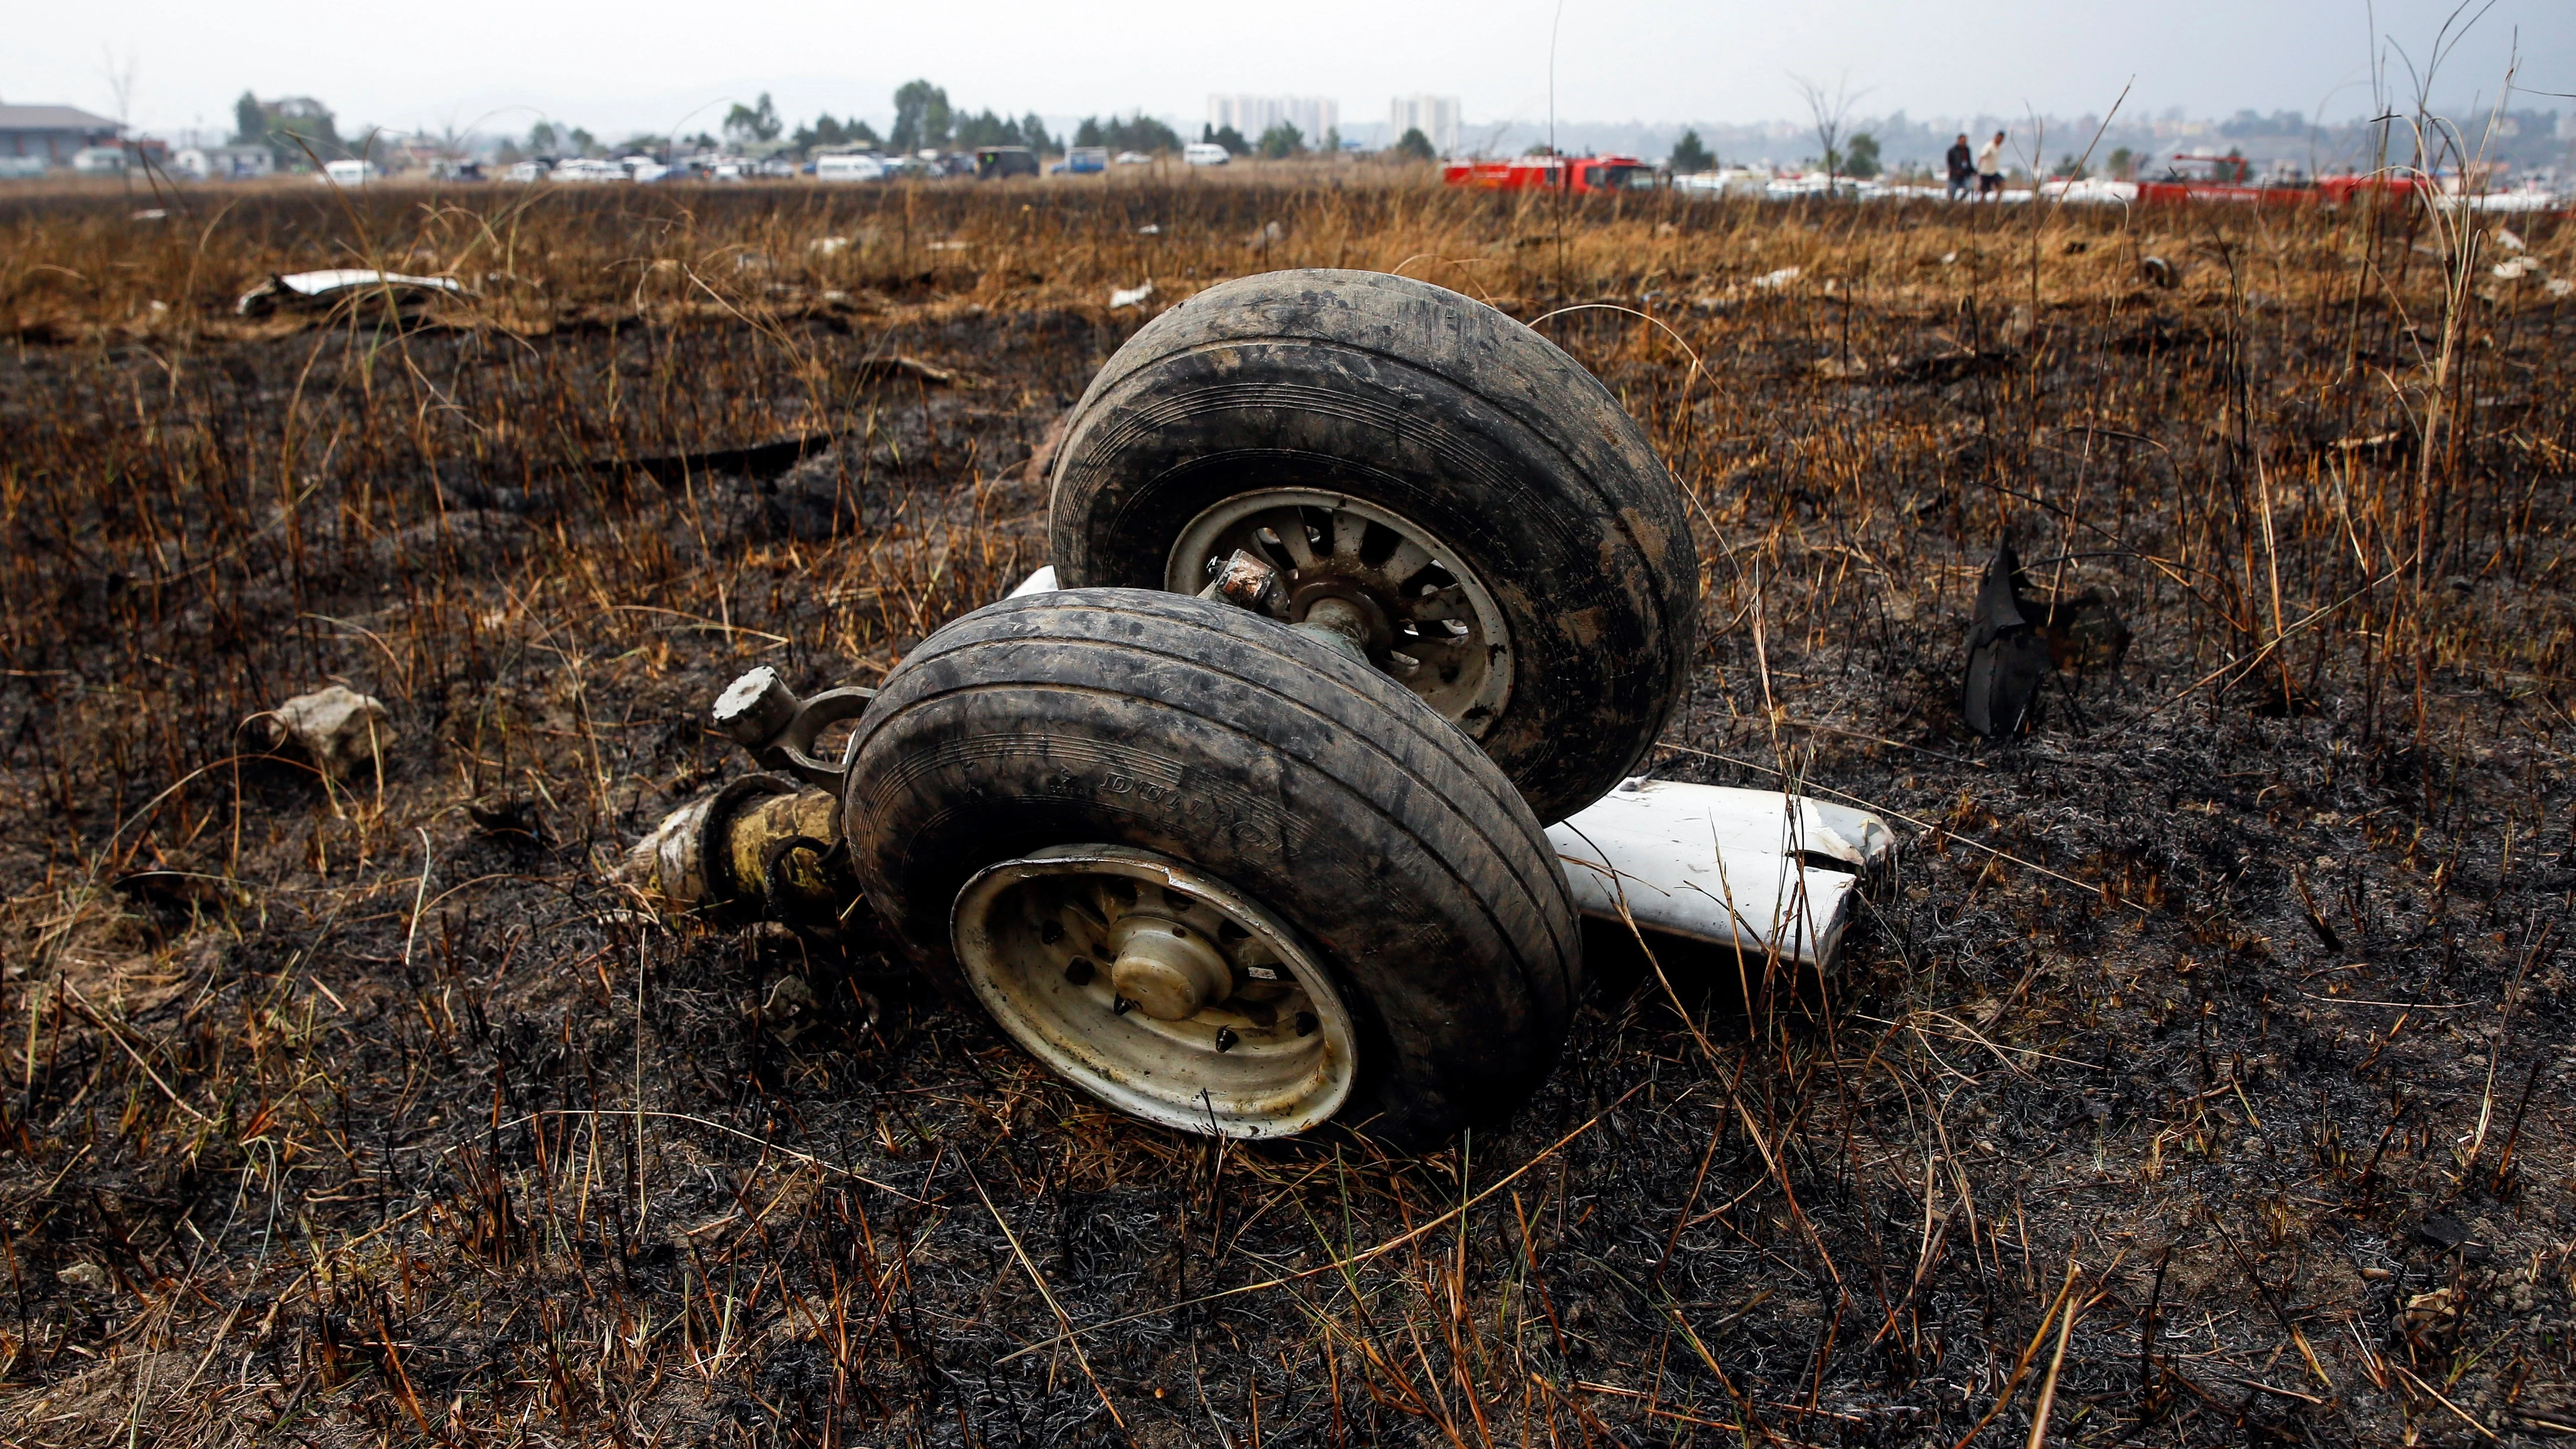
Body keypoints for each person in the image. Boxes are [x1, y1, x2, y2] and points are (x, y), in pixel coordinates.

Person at [1976, 129, 2007, 199]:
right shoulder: (1989, 146)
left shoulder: (1999, 147)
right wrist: (1978, 169)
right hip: (1985, 172)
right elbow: (1982, 157)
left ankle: (1996, 202)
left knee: (2002, 184)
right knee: (1984, 192)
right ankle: (1981, 205)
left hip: (1994, 171)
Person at [1945, 133, 1975, 201]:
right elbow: (1949, 164)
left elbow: (1969, 163)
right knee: (1951, 195)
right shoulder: (1952, 151)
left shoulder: (1967, 150)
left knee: (1969, 188)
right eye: (1963, 141)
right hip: (1954, 176)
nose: (1964, 143)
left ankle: (1960, 201)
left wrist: (1973, 171)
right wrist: (1955, 171)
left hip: (1965, 176)